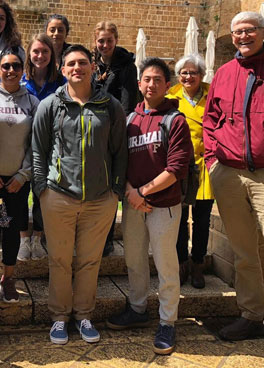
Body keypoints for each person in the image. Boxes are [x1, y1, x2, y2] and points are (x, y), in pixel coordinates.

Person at [32, 44, 127, 345]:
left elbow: (119, 151)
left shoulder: (110, 106)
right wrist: (41, 189)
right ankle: (59, 317)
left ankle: (84, 314)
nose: (77, 68)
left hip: (100, 199)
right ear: (62, 70)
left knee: (89, 261)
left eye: (83, 63)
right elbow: (38, 150)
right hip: (58, 195)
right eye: (71, 63)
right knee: (59, 260)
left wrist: (115, 190)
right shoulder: (50, 105)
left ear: (93, 68)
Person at [106, 57, 192, 356]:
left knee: (166, 265)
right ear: (139, 84)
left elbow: (178, 167)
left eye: (158, 79)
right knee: (134, 260)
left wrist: (143, 192)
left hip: (163, 206)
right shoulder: (130, 120)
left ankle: (167, 321)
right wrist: (131, 192)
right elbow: (121, 161)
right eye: (147, 79)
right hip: (133, 204)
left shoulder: (175, 120)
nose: (151, 84)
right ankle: (138, 307)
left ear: (168, 85)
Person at [203, 11, 264, 341]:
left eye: (250, 30)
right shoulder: (225, 74)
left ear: (262, 32)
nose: (243, 36)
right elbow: (210, 120)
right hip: (227, 172)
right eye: (238, 32)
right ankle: (252, 315)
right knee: (243, 251)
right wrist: (214, 161)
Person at [0, 47, 39, 303]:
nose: (11, 70)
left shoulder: (32, 102)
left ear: (23, 70)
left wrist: (23, 175)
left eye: (16, 66)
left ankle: (9, 278)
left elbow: (36, 143)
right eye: (6, 66)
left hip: (18, 179)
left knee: (14, 229)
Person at [167, 54, 213, 289]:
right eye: (184, 72)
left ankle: (198, 263)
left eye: (193, 72)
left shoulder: (212, 95)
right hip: (182, 165)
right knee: (180, 218)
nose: (188, 76)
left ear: (201, 75)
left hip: (206, 166)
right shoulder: (170, 97)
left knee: (203, 219)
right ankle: (181, 262)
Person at [18, 33, 65, 261]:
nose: (40, 56)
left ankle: (38, 238)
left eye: (45, 51)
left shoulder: (61, 83)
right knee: (20, 194)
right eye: (36, 51)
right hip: (21, 146)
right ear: (29, 53)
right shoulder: (20, 81)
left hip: (49, 147)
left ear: (52, 54)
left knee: (42, 194)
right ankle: (23, 239)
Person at [94, 21, 139, 256]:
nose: (104, 45)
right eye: (101, 41)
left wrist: (115, 130)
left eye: (109, 40)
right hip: (94, 132)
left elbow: (128, 101)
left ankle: (107, 238)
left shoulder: (127, 67)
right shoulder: (94, 65)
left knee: (112, 186)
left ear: (116, 40)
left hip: (115, 132)